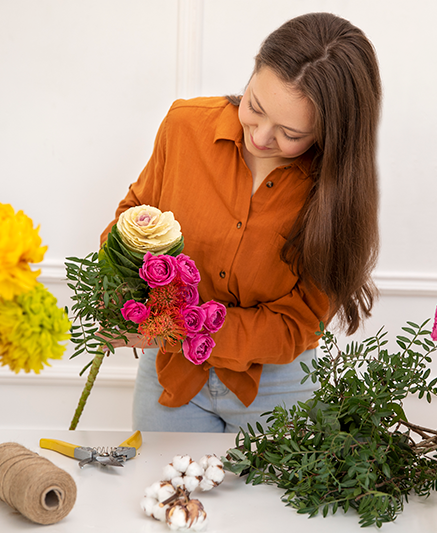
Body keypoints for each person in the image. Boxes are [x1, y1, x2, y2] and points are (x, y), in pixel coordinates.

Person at [101, 12, 382, 433]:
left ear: (330, 133)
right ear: (253, 71)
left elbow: (297, 323)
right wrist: (125, 297)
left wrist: (178, 328)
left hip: (278, 391)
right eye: (255, 106)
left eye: (290, 132)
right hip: (172, 384)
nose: (261, 136)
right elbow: (130, 221)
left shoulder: (336, 193)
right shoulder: (184, 127)